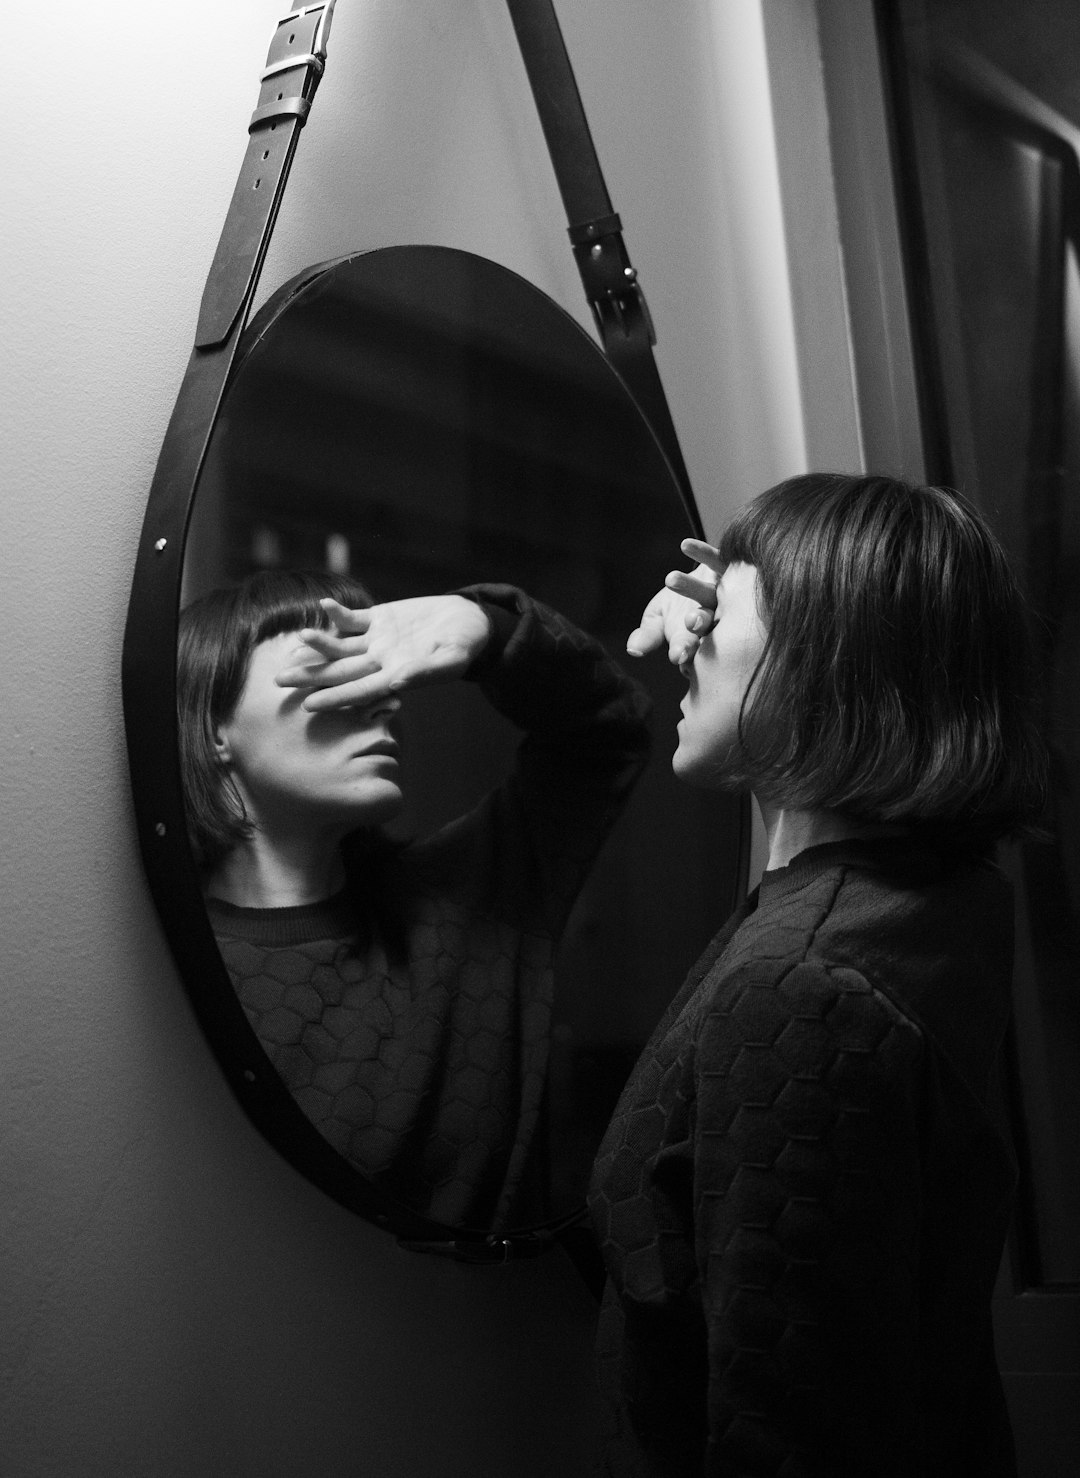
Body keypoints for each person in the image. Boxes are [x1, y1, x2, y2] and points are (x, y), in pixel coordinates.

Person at [588, 473, 1046, 1477]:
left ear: (825, 658)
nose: (690, 637)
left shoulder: (803, 989)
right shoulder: (928, 906)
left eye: (723, 611)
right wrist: (751, 609)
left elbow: (788, 1437)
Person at [178, 571, 650, 1230]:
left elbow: (606, 732)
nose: (382, 701)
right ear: (216, 726)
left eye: (377, 669)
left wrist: (485, 630)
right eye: (331, 667)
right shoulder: (161, 969)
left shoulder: (464, 908)